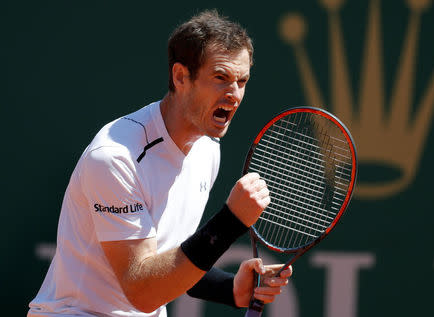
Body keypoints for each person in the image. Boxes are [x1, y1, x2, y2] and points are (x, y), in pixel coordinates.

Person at [28, 9, 292, 317]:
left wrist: (230, 288)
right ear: (181, 77)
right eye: (221, 78)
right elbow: (143, 291)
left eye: (242, 81)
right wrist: (231, 220)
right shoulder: (115, 158)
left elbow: (169, 260)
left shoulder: (207, 150)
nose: (234, 94)